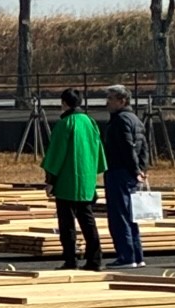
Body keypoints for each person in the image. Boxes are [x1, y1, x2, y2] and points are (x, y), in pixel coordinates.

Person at [41, 89, 105, 271]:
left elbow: (56, 154)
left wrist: (50, 180)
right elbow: (98, 150)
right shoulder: (90, 122)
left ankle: (70, 260)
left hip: (66, 181)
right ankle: (95, 259)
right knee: (88, 220)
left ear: (64, 103)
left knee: (67, 223)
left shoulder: (65, 124)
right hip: (86, 179)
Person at [100, 85, 147, 268]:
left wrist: (135, 169)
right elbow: (144, 146)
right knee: (131, 215)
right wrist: (142, 169)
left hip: (119, 171)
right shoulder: (135, 119)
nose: (107, 103)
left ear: (122, 101)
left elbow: (127, 147)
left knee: (119, 215)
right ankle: (137, 255)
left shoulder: (120, 121)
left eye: (111, 99)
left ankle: (126, 256)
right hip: (130, 172)